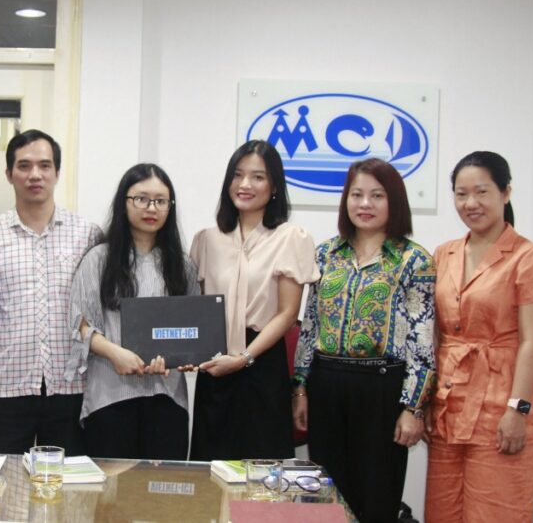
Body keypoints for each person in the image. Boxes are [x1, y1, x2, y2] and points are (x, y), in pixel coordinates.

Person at [293, 158, 435, 523]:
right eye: (356, 195)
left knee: (377, 497)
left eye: (377, 195)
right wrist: (301, 386)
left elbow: (422, 340)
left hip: (382, 389)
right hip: (327, 384)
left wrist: (413, 407)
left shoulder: (414, 260)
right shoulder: (325, 253)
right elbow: (310, 324)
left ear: (394, 201)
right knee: (326, 497)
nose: (365, 204)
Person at [426, 152, 533, 523]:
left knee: (496, 513)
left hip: (502, 404)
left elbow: (531, 342)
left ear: (505, 193)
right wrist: (425, 403)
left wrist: (518, 410)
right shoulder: (444, 254)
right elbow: (435, 333)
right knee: (442, 512)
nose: (470, 203)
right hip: (449, 406)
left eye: (481, 192)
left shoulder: (529, 257)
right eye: (461, 194)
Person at [0, 129, 103, 454]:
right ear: (9, 174)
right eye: (24, 166)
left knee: (70, 481)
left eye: (44, 165)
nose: (35, 175)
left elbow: (100, 312)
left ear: (57, 172)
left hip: (72, 385)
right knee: (2, 478)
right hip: (6, 386)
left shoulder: (87, 235)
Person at [188, 140, 318, 461]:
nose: (244, 184)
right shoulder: (206, 239)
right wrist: (189, 351)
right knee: (210, 465)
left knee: (261, 469)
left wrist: (244, 358)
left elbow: (287, 313)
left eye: (258, 177)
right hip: (215, 365)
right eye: (237, 175)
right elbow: (197, 309)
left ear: (274, 186)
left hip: (262, 363)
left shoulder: (291, 237)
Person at [65, 164, 198, 459]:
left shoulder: (181, 265)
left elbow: (192, 328)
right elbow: (79, 324)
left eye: (160, 201)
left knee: (165, 485)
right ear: (123, 202)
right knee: (112, 487)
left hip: (167, 398)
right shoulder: (99, 259)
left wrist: (184, 356)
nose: (151, 208)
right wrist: (115, 353)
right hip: (110, 396)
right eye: (141, 199)